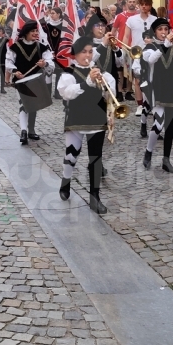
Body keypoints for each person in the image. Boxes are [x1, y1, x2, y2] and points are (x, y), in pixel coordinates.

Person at [57, 37, 115, 215]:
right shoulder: (68, 73)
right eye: (84, 52)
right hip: (76, 118)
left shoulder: (101, 72)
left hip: (96, 119)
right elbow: (66, 93)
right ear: (75, 54)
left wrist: (104, 86)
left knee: (95, 158)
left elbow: (111, 92)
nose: (88, 55)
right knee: (71, 155)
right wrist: (87, 82)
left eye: (90, 51)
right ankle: (66, 181)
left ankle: (95, 197)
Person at [141, 18, 173, 173]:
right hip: (156, 89)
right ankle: (148, 151)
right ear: (155, 32)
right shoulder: (149, 47)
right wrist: (167, 45)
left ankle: (166, 159)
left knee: (169, 126)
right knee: (159, 124)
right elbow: (151, 60)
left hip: (172, 89)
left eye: (166, 29)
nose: (164, 32)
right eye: (160, 30)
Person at [7, 21, 54, 144]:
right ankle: (23, 131)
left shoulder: (41, 47)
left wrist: (45, 63)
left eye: (36, 31)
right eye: (32, 31)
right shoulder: (15, 47)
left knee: (33, 106)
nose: (35, 33)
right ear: (26, 32)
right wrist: (15, 71)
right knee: (23, 104)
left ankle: (31, 130)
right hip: (21, 81)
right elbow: (9, 62)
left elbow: (51, 62)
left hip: (36, 81)